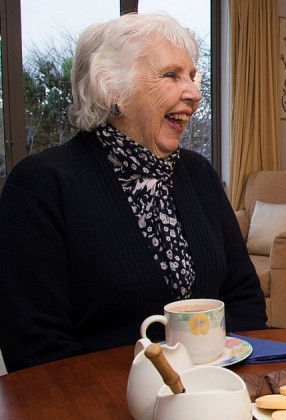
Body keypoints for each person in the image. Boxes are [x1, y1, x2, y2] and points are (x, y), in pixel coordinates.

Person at [0, 13, 266, 372]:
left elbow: (243, 295)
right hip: (101, 407)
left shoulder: (199, 173)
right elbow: (34, 346)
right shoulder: (40, 185)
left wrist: (233, 374)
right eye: (171, 75)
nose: (195, 93)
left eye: (192, 76)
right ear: (112, 89)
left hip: (214, 391)